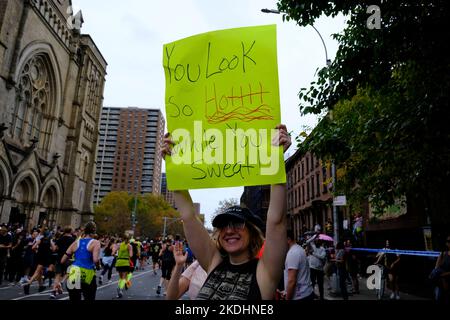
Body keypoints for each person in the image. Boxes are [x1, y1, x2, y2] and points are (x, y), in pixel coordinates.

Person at [161, 124, 291, 300]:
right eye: (223, 225)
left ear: (252, 232)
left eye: (237, 224)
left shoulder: (265, 272)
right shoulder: (213, 262)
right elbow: (188, 216)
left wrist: (277, 157)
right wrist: (173, 163)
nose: (229, 230)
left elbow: (276, 221)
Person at [61, 222, 100, 301]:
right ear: (94, 231)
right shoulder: (95, 243)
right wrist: (98, 266)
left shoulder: (76, 242)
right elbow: (96, 260)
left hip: (74, 272)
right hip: (87, 273)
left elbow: (62, 260)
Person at [283, 230, 314, 300]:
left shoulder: (293, 253)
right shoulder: (298, 249)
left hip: (300, 296)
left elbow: (291, 281)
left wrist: (287, 298)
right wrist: (286, 292)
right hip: (305, 294)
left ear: (288, 239)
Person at [50, 226, 75, 299]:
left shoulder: (60, 239)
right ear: (70, 231)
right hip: (68, 258)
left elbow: (54, 249)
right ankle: (62, 282)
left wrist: (52, 242)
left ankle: (53, 292)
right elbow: (74, 250)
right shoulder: (73, 240)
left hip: (59, 258)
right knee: (69, 272)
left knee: (57, 275)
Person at [432, 235, 450, 303]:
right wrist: (441, 275)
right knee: (438, 297)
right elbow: (436, 267)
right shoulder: (443, 253)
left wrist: (443, 274)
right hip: (440, 282)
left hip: (446, 280)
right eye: (448, 241)